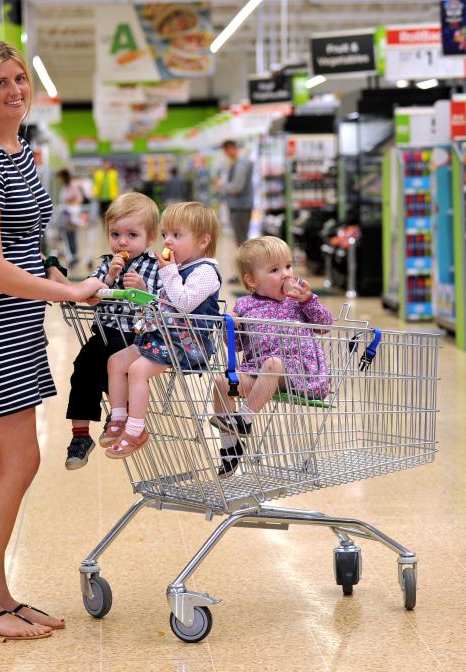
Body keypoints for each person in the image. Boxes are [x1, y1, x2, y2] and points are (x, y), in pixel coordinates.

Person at [0, 40, 106, 641]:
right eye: (0, 82)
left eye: (19, 79)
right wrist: (70, 294)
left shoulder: (20, 154)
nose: (14, 90)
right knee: (20, 458)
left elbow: (24, 244)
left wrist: (61, 275)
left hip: (15, 323)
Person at [101, 202, 222, 459]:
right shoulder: (177, 268)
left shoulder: (206, 272)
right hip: (161, 337)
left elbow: (183, 303)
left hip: (186, 344)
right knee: (115, 362)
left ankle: (136, 430)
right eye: (166, 234)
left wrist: (168, 272)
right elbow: (162, 301)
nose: (168, 241)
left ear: (203, 241)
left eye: (176, 235)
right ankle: (119, 418)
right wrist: (146, 291)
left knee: (136, 370)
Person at [209, 236, 333, 477]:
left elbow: (324, 324)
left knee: (274, 363)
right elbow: (235, 346)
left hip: (300, 373)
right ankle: (230, 448)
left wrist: (308, 299)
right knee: (223, 384)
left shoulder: (297, 302)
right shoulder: (244, 305)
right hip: (261, 372)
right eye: (275, 270)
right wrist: (231, 325)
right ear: (252, 280)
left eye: (288, 266)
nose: (286, 274)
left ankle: (244, 419)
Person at [64, 192, 161, 470]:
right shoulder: (107, 263)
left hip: (135, 336)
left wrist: (143, 290)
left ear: (150, 238)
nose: (122, 241)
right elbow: (89, 287)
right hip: (104, 332)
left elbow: (164, 302)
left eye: (132, 235)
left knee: (118, 366)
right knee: (82, 370)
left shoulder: (155, 267)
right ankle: (80, 437)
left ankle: (120, 416)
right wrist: (106, 280)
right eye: (115, 234)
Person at [219, 139, 255, 249]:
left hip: (241, 206)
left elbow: (237, 187)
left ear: (231, 149)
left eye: (225, 151)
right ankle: (244, 261)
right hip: (239, 205)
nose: (225, 154)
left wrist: (223, 185)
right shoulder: (234, 163)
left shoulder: (241, 164)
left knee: (241, 237)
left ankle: (245, 262)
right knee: (241, 236)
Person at [54, 168, 84, 268]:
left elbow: (79, 199)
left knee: (71, 236)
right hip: (65, 215)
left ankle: (73, 258)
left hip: (71, 216)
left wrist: (69, 202)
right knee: (65, 237)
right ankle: (70, 257)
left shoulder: (72, 186)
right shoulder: (65, 187)